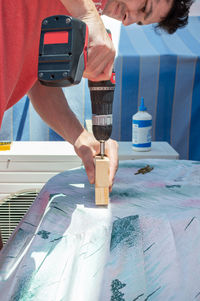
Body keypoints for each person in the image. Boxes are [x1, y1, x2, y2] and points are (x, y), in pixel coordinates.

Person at [0, 0, 193, 250]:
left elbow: (38, 82)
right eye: (143, 6)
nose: (128, 19)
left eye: (139, 21)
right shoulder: (85, 12)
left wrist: (80, 137)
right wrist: (88, 14)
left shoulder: (71, 18)